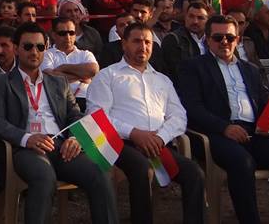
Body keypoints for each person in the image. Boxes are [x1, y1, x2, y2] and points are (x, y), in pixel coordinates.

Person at [177, 15, 269, 224]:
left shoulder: (251, 69)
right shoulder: (193, 67)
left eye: (230, 37)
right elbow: (192, 107)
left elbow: (265, 103)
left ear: (238, 39)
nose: (224, 42)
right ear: (207, 40)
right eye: (218, 37)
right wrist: (225, 128)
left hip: (255, 133)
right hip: (216, 134)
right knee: (242, 162)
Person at [0, 22, 118, 224]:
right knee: (44, 177)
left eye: (40, 47)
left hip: (62, 146)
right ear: (16, 48)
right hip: (27, 149)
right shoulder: (1, 82)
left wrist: (76, 137)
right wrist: (27, 138)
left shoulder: (58, 82)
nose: (34, 52)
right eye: (28, 46)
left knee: (99, 172)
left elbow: (75, 115)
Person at [87, 22, 204, 224]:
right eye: (136, 41)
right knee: (142, 168)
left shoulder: (162, 80)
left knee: (194, 173)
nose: (143, 47)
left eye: (147, 42)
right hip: (119, 144)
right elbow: (97, 116)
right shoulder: (108, 75)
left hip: (157, 145)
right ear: (124, 44)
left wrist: (160, 137)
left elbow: (179, 116)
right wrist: (134, 133)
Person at [41, 16, 99, 110]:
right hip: (58, 101)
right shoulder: (46, 55)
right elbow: (51, 78)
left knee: (102, 116)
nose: (68, 37)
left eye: (71, 33)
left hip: (86, 99)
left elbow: (93, 71)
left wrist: (63, 68)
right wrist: (83, 76)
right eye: (62, 33)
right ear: (53, 35)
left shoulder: (85, 54)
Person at [160, 1, 210, 83]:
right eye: (191, 16)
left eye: (200, 18)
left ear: (207, 20)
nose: (195, 21)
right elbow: (175, 72)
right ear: (185, 17)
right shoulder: (173, 39)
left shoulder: (213, 40)